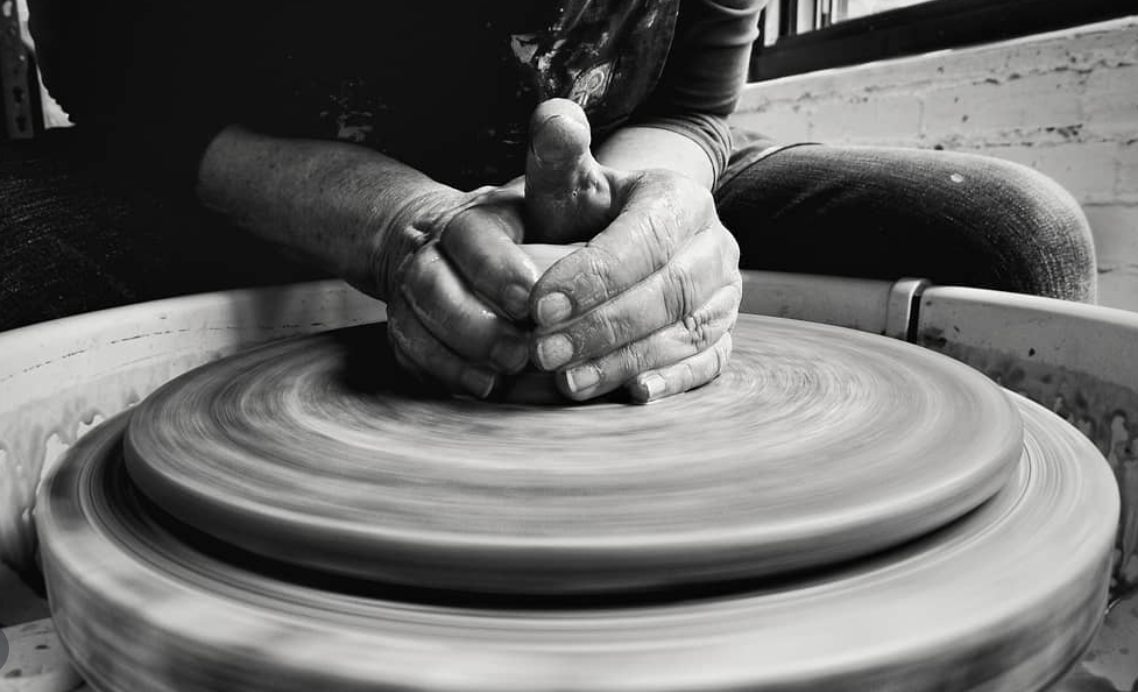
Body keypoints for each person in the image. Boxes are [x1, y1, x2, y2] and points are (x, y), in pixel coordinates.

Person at [16, 0, 1097, 404]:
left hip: (604, 146)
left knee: (1010, 238)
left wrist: (658, 215)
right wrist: (392, 221)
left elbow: (692, 103)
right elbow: (109, 80)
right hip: (242, 175)